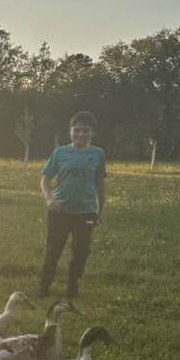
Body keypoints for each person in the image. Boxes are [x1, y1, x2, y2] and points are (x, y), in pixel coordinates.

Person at [36, 110, 106, 299]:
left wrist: (98, 212)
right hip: (60, 212)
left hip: (86, 213)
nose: (81, 134)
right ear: (70, 131)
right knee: (53, 250)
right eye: (77, 130)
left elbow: (100, 184)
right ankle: (43, 287)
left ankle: (72, 289)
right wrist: (49, 200)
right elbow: (45, 180)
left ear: (92, 133)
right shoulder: (60, 152)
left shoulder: (98, 154)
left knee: (81, 252)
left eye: (86, 130)